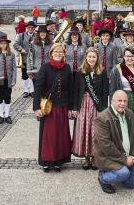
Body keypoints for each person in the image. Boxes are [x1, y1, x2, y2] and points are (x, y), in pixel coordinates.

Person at [32, 43, 76, 172]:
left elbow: (70, 89)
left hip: (62, 107)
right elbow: (38, 88)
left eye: (61, 52)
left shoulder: (67, 68)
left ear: (64, 54)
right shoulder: (45, 68)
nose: (58, 54)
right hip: (49, 108)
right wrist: (36, 108)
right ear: (51, 53)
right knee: (48, 136)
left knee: (61, 136)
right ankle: (47, 161)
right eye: (56, 52)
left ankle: (58, 161)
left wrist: (71, 108)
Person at [94, 90, 134, 194]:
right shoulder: (102, 118)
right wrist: (125, 160)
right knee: (124, 173)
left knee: (132, 184)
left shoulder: (130, 113)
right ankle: (103, 177)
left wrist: (133, 155)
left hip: (128, 156)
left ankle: (119, 171)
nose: (122, 103)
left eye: (125, 101)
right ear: (112, 101)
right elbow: (106, 145)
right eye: (119, 100)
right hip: (109, 157)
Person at [73, 47, 109, 170]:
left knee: (95, 130)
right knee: (84, 129)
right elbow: (76, 90)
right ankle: (86, 158)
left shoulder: (102, 72)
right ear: (86, 58)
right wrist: (74, 108)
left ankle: (94, 157)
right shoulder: (80, 71)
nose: (92, 59)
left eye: (94, 57)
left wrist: (104, 109)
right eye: (90, 57)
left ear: (97, 58)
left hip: (96, 105)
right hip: (83, 104)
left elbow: (105, 91)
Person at [0, 36, 17, 124]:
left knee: (7, 97)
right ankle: (1, 115)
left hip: (8, 79)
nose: (3, 45)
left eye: (5, 43)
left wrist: (13, 80)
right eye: (1, 43)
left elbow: (14, 68)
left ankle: (7, 115)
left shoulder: (11, 54)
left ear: (7, 44)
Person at [14, 21, 36, 97]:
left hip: (34, 59)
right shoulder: (21, 35)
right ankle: (26, 90)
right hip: (24, 58)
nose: (30, 29)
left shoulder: (37, 35)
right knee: (24, 75)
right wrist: (21, 49)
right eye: (29, 27)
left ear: (34, 28)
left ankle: (32, 90)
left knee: (32, 74)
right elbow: (15, 44)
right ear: (26, 28)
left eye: (32, 27)